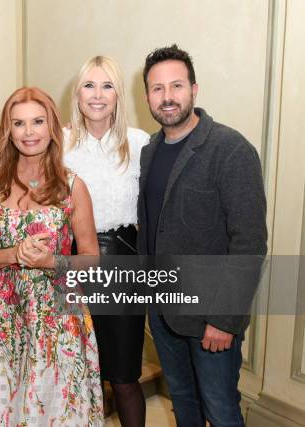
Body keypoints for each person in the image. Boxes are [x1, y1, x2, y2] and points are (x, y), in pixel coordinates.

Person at [138, 44, 267, 427]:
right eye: (157, 88)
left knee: (221, 410)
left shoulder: (231, 150)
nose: (167, 97)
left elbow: (249, 243)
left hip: (211, 317)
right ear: (147, 95)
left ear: (194, 89)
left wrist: (224, 320)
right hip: (163, 312)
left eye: (176, 86)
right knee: (183, 403)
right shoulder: (150, 150)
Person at [0, 87, 104, 426]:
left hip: (58, 316)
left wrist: (50, 262)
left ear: (52, 127)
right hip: (0, 315)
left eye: (37, 122)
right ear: (8, 131)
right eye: (19, 123)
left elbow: (91, 257)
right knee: (1, 406)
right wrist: (13, 254)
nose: (29, 132)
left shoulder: (73, 186)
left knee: (56, 408)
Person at [63, 55, 149, 427]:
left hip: (124, 265)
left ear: (118, 95)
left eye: (107, 85)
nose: (97, 95)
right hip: (71, 264)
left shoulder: (140, 143)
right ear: (78, 93)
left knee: (126, 377)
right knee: (77, 374)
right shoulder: (59, 141)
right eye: (89, 85)